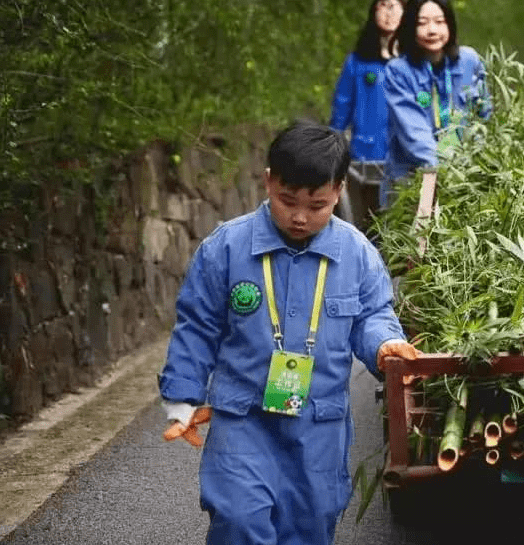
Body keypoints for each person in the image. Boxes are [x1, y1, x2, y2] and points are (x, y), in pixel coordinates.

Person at [158, 119, 418, 545]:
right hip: (244, 418)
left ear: (338, 192)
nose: (299, 216)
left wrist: (384, 346)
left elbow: (374, 315)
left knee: (309, 526)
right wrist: (182, 398)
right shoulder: (226, 248)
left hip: (319, 426)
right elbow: (197, 326)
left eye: (317, 205)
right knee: (238, 520)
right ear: (267, 182)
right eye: (287, 200)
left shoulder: (357, 255)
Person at [381, 0, 490, 206]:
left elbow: (483, 117)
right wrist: (447, 170)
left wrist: (478, 165)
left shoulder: (469, 61)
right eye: (422, 23)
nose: (432, 30)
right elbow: (414, 133)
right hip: (411, 180)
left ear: (450, 24)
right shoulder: (398, 71)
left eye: (440, 22)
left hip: (467, 179)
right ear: (410, 27)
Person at [329, 0, 404, 231]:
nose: (389, 12)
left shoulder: (414, 63)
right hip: (365, 157)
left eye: (395, 7)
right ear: (373, 15)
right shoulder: (358, 62)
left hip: (405, 156)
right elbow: (342, 106)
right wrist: (333, 146)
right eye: (383, 6)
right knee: (367, 222)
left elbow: (429, 103)